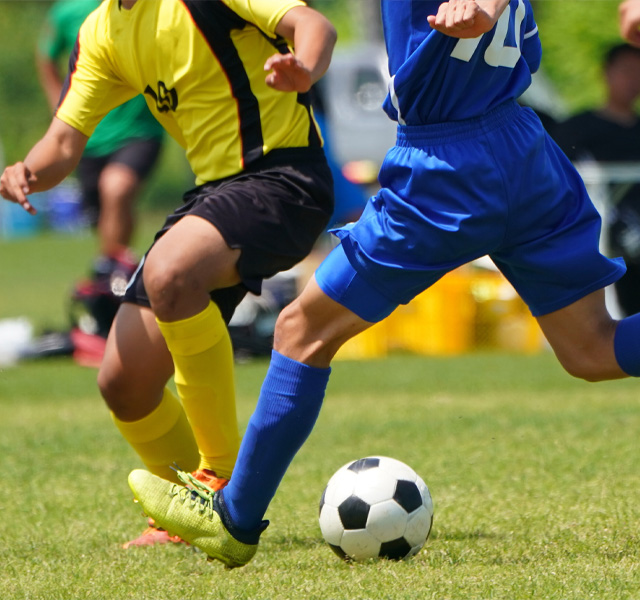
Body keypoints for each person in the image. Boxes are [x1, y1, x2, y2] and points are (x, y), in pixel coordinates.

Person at [125, 0, 640, 570]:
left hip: (447, 168)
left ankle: (234, 519)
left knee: (301, 330)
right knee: (592, 348)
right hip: (525, 150)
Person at [0, 0, 336, 549]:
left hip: (285, 176)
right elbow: (63, 144)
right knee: (123, 384)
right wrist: (25, 172)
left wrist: (305, 65)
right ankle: (182, 512)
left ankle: (220, 484)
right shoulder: (102, 30)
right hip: (216, 196)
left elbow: (312, 24)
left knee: (170, 269)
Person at [37, 0, 164, 292]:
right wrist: (59, 103)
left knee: (116, 188)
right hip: (88, 136)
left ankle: (110, 280)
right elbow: (45, 55)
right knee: (104, 215)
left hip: (139, 128)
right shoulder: (69, 13)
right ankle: (119, 273)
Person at [555, 43, 640, 317]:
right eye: (627, 71)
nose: (634, 79)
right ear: (606, 73)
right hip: (597, 236)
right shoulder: (575, 130)